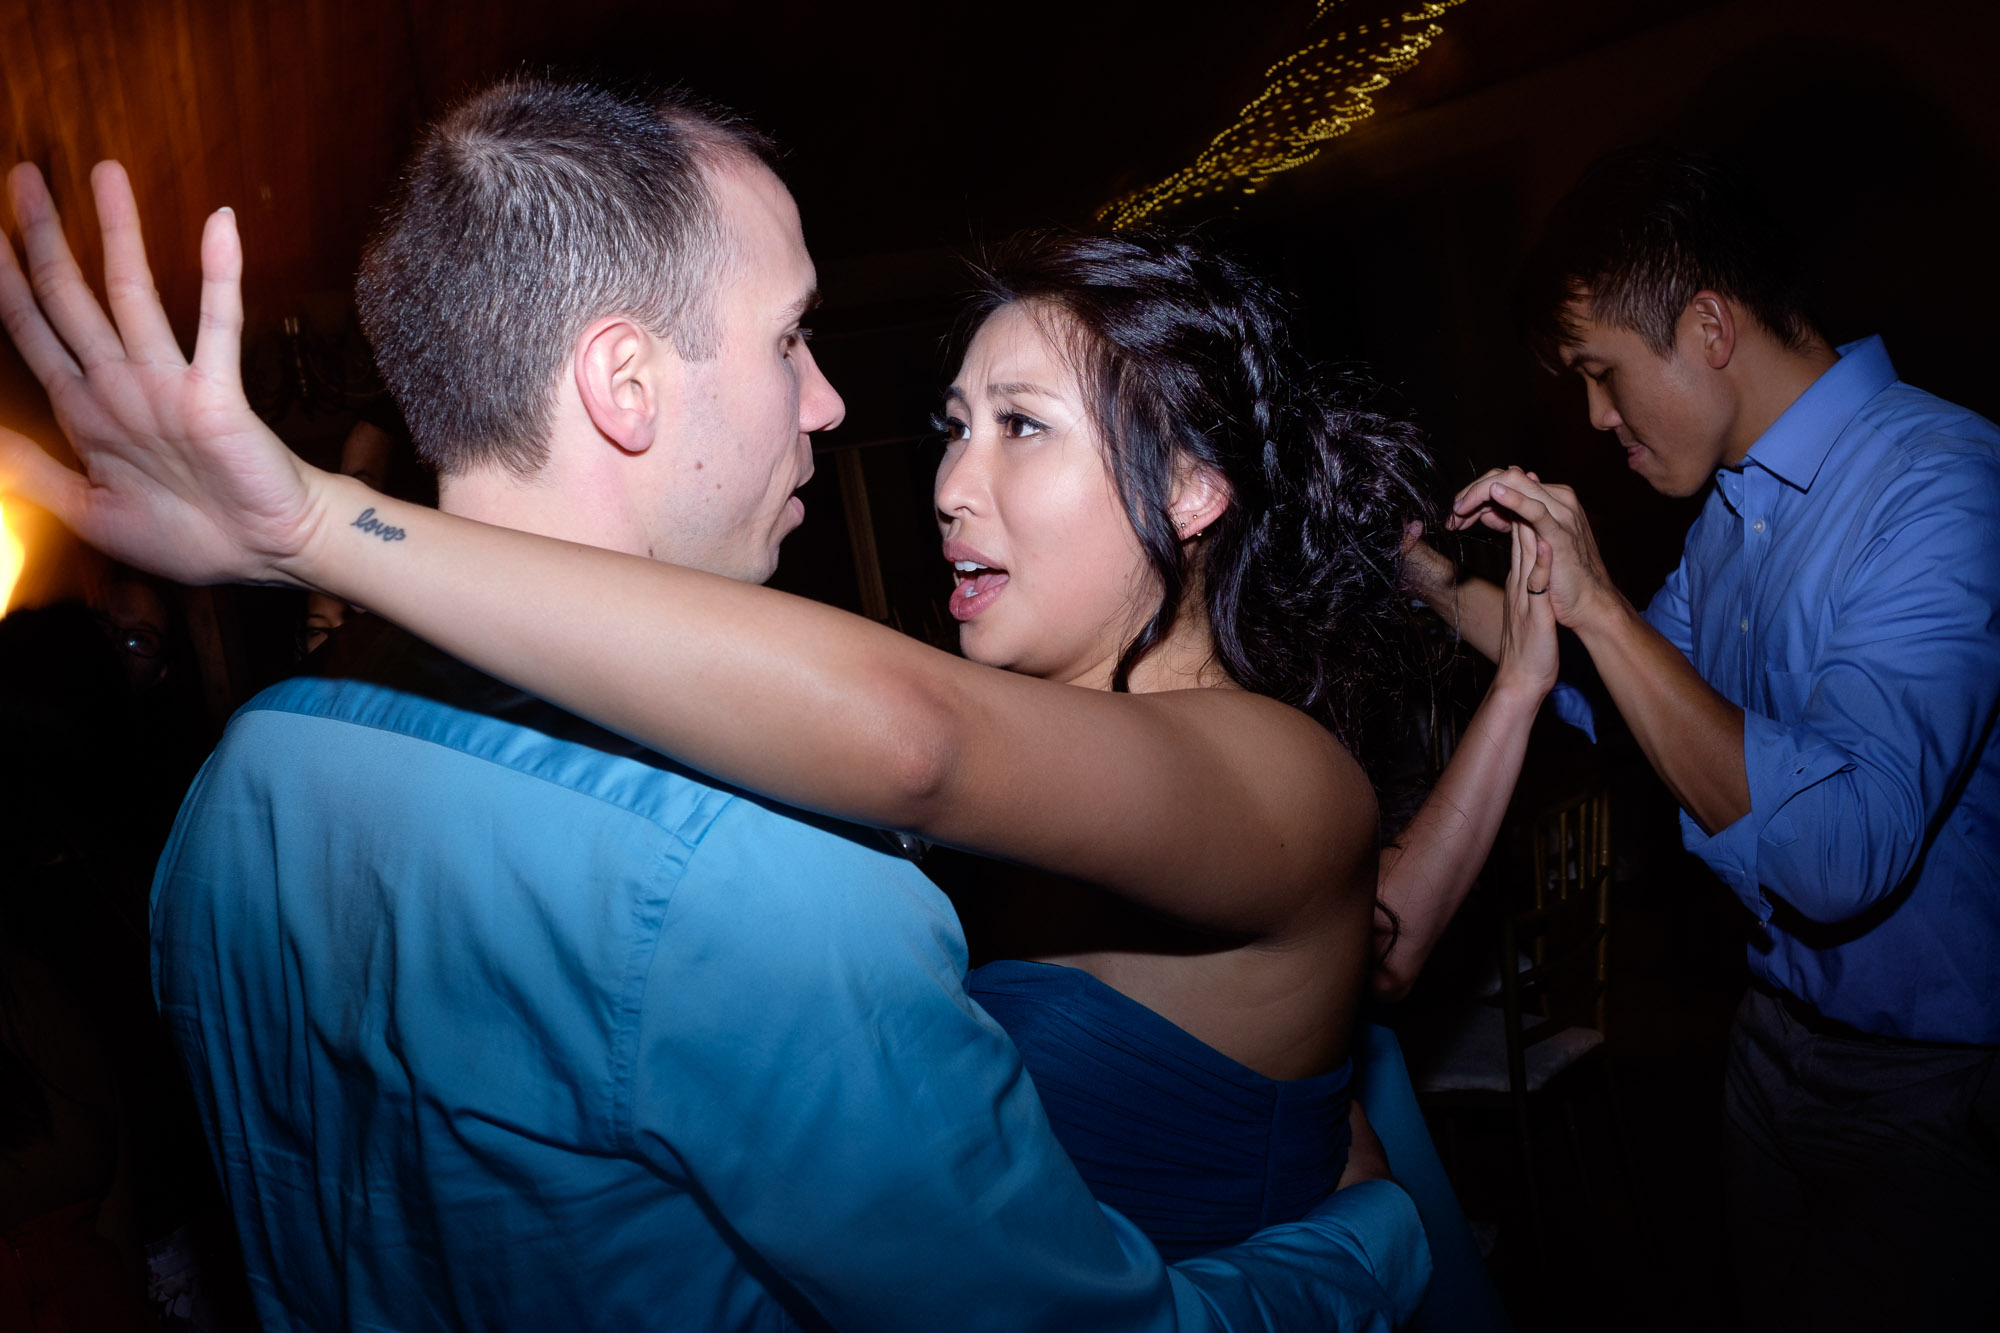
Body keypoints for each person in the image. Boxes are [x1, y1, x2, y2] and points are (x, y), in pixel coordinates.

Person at [0, 79, 1435, 1332]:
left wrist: (321, 528)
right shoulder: (769, 890)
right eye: (791, 341)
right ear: (626, 381)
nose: (833, 411)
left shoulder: (245, 780)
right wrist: (1370, 1242)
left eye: (1019, 427)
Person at [1410, 146, 2000, 1331]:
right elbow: (1605, 690)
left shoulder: (1943, 483)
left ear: (1709, 326)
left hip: (1937, 1083)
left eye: (1602, 374)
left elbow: (1843, 851)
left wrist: (1601, 607)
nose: (1595, 417)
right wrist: (1421, 578)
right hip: (1770, 1037)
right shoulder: (1734, 511)